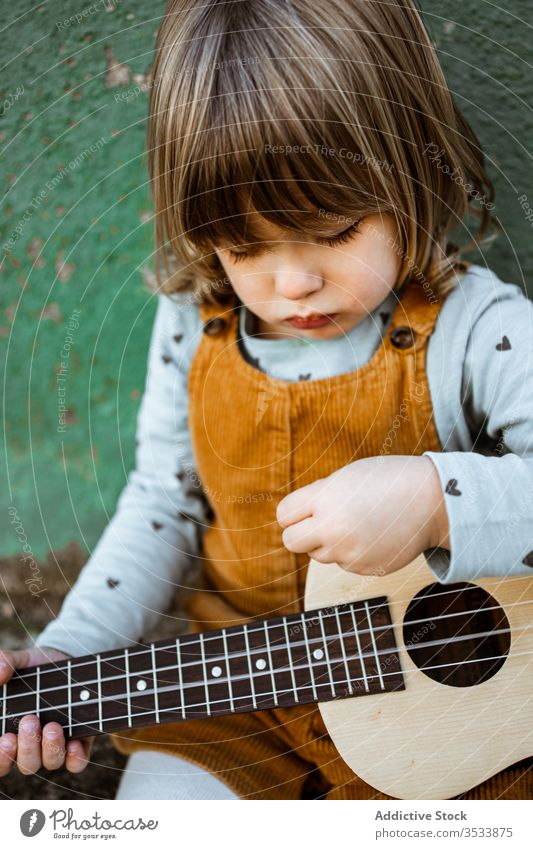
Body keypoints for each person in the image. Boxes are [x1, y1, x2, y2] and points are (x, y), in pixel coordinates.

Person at [1, 0, 532, 800]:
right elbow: (163, 499)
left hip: (446, 716)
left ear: (410, 176)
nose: (292, 283)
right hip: (234, 690)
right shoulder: (196, 321)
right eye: (246, 245)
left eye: (337, 228)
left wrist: (435, 502)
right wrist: (75, 649)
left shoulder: (475, 328)